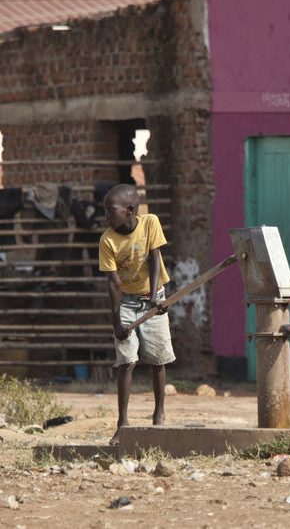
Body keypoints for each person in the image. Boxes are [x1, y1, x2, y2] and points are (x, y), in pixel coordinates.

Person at [98, 184, 175, 445]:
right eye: (105, 211)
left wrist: (155, 297)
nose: (106, 216)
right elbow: (113, 283)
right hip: (127, 304)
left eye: (111, 210)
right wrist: (116, 321)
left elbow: (155, 258)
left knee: (157, 360)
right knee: (126, 361)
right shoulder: (107, 240)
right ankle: (123, 423)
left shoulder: (150, 223)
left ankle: (159, 416)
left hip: (154, 298)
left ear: (129, 210)